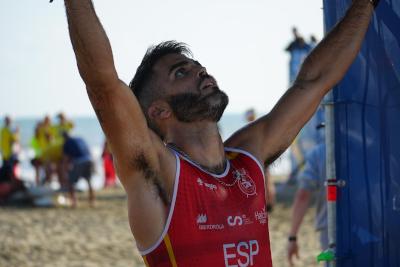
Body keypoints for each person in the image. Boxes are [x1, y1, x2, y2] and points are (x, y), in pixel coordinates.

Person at [61, 0, 379, 265]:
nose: (200, 70)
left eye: (197, 64)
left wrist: (365, 3)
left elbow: (314, 81)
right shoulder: (159, 175)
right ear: (159, 111)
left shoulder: (247, 158)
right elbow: (104, 86)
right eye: (180, 72)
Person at [287, 126, 327, 266]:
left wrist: (292, 237)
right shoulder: (370, 149)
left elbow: (303, 195)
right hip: (370, 225)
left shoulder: (320, 152)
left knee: (332, 260)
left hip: (330, 228)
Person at [62, 132, 95, 207]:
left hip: (79, 161)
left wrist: (64, 172)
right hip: (89, 159)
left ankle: (74, 202)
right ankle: (92, 200)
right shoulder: (80, 139)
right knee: (89, 181)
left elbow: (65, 159)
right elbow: (88, 149)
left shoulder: (67, 143)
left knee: (71, 182)